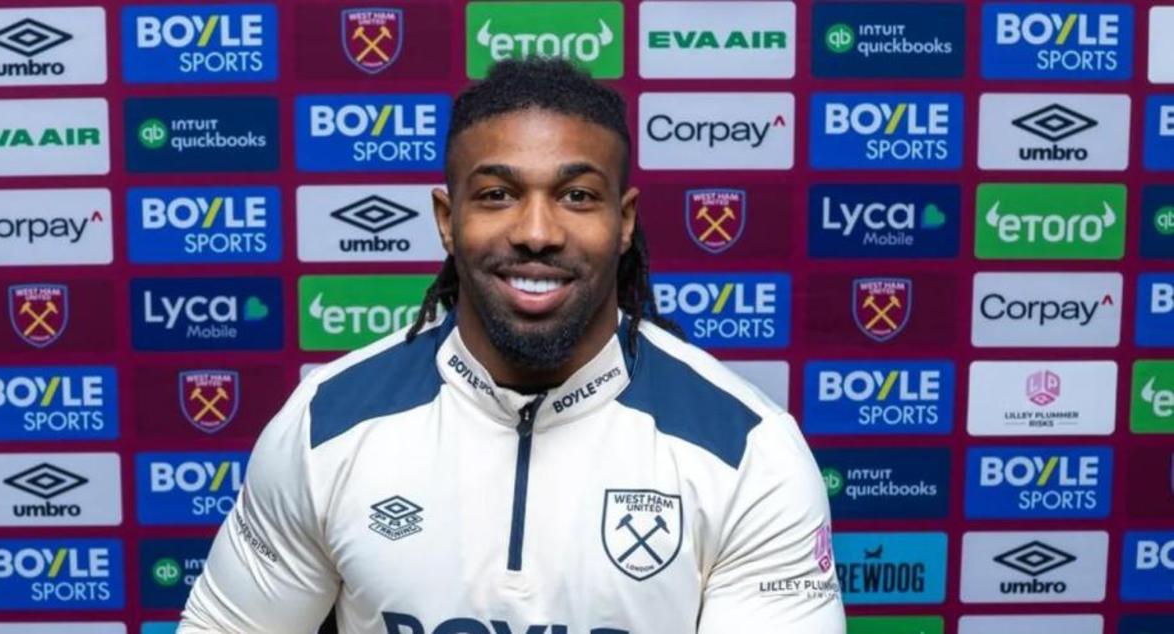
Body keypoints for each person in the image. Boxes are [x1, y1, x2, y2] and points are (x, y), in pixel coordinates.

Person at [179, 58, 844, 633]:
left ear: (624, 221)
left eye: (577, 196)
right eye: (497, 194)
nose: (535, 231)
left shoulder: (746, 450)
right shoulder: (328, 424)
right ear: (448, 220)